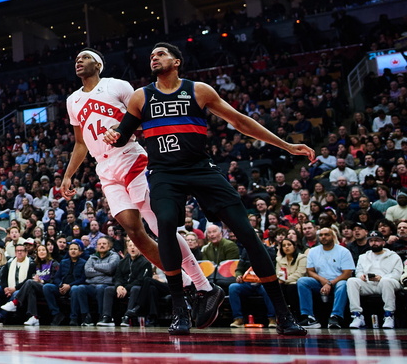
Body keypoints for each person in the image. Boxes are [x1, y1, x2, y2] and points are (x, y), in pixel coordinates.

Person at [105, 42, 312, 336]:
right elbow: (123, 136)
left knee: (247, 234)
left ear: (177, 62)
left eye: (161, 54)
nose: (154, 57)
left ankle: (283, 315)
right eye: (151, 55)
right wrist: (113, 135)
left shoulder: (199, 90)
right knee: (164, 224)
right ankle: (180, 311)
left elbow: (240, 121)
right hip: (164, 172)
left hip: (201, 169)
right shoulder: (141, 97)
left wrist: (286, 145)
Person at [62, 49, 214, 314]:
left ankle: (204, 287)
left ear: (98, 63)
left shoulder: (117, 86)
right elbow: (79, 142)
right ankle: (187, 285)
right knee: (134, 232)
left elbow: (141, 118)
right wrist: (67, 174)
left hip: (130, 156)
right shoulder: (72, 100)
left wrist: (122, 130)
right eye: (76, 59)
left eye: (84, 57)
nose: (79, 61)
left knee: (160, 228)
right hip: (105, 168)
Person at [296, 225, 355, 328]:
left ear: (333, 236)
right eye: (321, 235)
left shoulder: (343, 251)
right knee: (302, 281)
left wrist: (330, 283)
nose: (323, 237)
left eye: (326, 235)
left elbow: (347, 273)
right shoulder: (313, 251)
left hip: (337, 281)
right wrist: (323, 280)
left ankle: (335, 316)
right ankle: (309, 317)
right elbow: (310, 271)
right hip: (320, 282)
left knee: (344, 284)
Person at [346, 231, 403, 329]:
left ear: (383, 242)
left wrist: (382, 278)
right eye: (371, 241)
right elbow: (358, 272)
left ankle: (389, 315)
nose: (374, 243)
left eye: (377, 240)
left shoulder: (394, 256)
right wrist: (361, 276)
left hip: (388, 283)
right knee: (351, 281)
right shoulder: (363, 257)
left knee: (386, 282)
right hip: (369, 283)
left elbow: (397, 274)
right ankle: (357, 315)